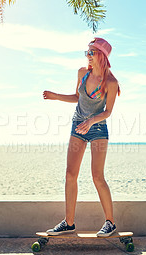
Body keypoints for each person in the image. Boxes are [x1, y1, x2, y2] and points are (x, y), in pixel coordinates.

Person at [42, 37, 120, 237]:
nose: (88, 56)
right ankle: (69, 223)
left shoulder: (111, 82)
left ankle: (110, 223)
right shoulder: (82, 73)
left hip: (98, 129)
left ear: (101, 56)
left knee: (97, 176)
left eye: (91, 52)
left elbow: (108, 111)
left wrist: (92, 121)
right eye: (87, 52)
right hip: (78, 126)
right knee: (70, 174)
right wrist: (56, 96)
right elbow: (77, 97)